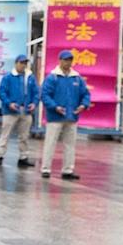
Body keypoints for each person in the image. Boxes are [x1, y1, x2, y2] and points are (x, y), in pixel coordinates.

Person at [41, 50, 90, 180]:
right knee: (50, 143)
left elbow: (85, 94)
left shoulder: (77, 78)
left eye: (70, 60)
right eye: (65, 59)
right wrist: (55, 107)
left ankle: (68, 170)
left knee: (70, 144)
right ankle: (46, 168)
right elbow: (45, 95)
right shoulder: (52, 77)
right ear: (60, 60)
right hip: (55, 116)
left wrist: (83, 105)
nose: (68, 62)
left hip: (71, 116)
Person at [0, 54, 38, 167]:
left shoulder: (30, 77)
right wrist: (9, 103)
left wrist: (34, 103)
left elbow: (36, 92)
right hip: (11, 110)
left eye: (25, 63)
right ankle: (0, 155)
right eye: (21, 63)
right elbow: (2, 93)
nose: (23, 65)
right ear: (16, 63)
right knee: (5, 134)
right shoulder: (8, 77)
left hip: (26, 110)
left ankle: (23, 157)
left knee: (24, 135)